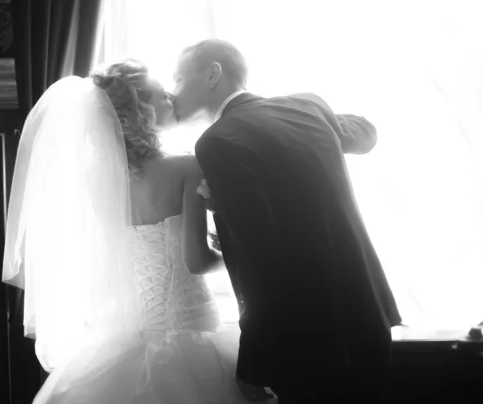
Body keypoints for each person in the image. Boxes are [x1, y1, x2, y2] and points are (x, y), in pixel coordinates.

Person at [2, 59, 278, 404]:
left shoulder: (94, 179)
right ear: (140, 111)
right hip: (190, 330)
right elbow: (195, 262)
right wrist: (231, 253)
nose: (172, 97)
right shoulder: (186, 166)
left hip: (123, 336)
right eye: (162, 94)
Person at [172, 38, 402, 403]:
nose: (173, 93)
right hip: (367, 312)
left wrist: (251, 363)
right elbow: (365, 134)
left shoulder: (217, 141)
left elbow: (262, 261)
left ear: (213, 74)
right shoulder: (307, 106)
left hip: (306, 340)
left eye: (179, 80)